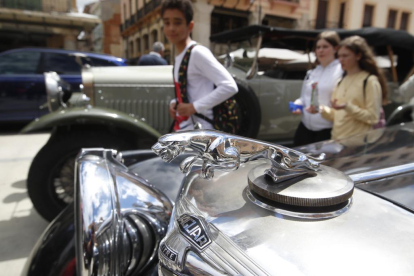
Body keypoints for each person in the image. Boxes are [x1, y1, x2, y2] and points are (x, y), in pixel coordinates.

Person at [161, 0, 238, 131]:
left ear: (190, 26)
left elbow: (230, 86)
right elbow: (191, 91)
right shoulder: (181, 56)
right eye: (167, 23)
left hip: (202, 131)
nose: (171, 28)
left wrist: (193, 107)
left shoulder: (197, 53)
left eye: (177, 22)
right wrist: (175, 103)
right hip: (186, 128)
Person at [320, 36, 387, 140]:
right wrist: (321, 109)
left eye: (345, 56)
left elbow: (373, 118)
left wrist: (347, 107)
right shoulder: (340, 81)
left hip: (358, 146)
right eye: (339, 56)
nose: (341, 60)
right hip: (336, 142)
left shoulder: (369, 81)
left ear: (358, 56)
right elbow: (336, 116)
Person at [292, 31, 343, 146]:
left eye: (325, 47)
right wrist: (297, 104)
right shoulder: (312, 72)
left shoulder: (341, 71)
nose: (320, 50)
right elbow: (304, 97)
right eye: (318, 47)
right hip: (305, 127)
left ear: (335, 48)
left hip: (327, 130)